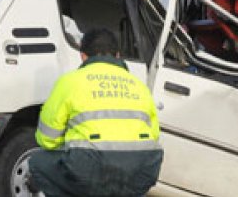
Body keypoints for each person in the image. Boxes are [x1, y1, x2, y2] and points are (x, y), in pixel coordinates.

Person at [29, 28, 163, 197]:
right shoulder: (139, 86)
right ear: (118, 55)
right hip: (141, 171)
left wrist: (71, 144)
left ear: (83, 56)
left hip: (90, 168)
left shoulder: (70, 82)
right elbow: (154, 135)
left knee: (38, 162)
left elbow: (47, 139)